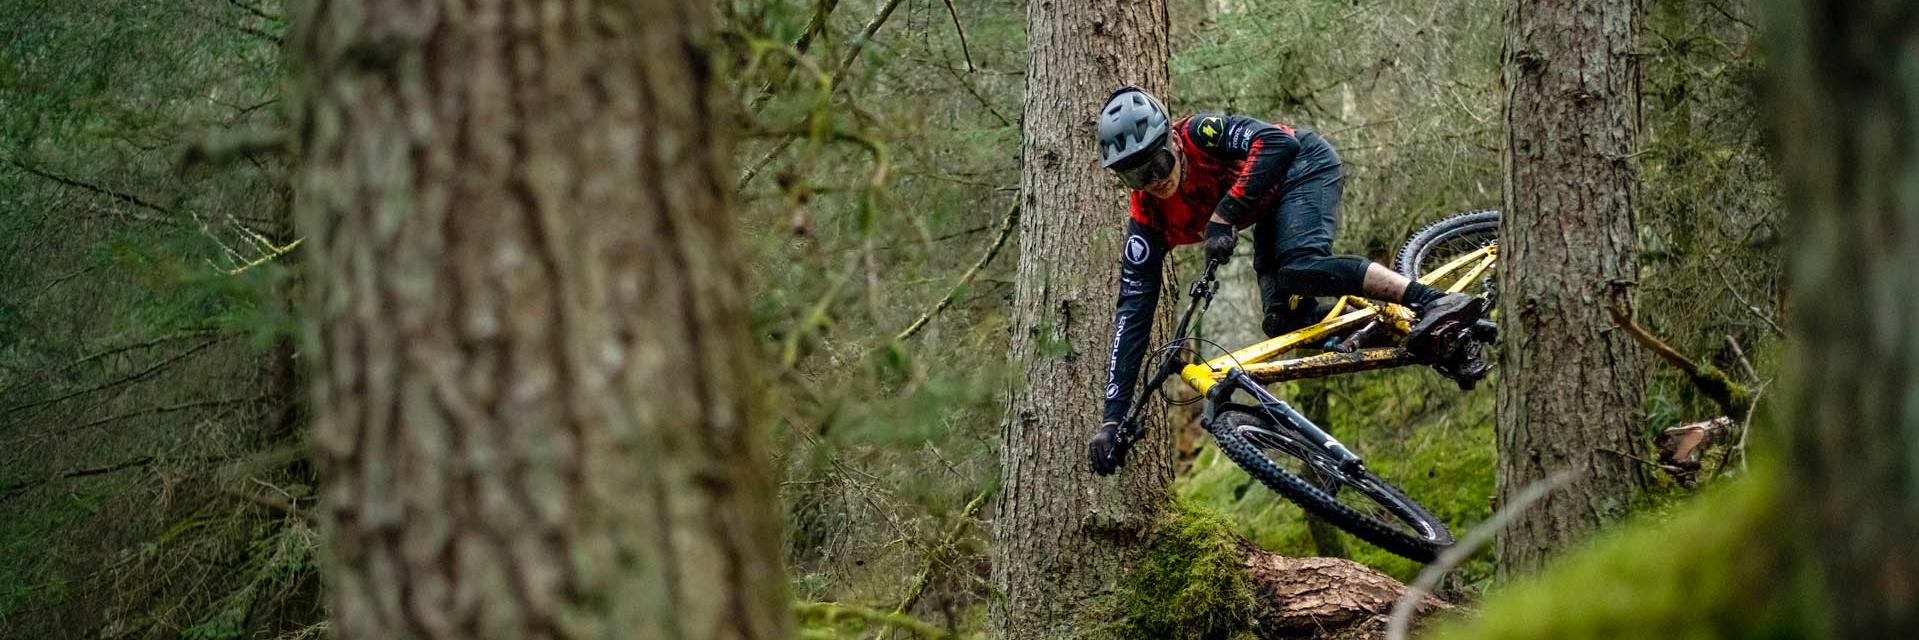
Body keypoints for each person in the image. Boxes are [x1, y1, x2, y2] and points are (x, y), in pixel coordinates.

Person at [1087, 86, 1483, 476]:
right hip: (1267, 207)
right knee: (1285, 322)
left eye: (1157, 163)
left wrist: (1224, 217)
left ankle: (1432, 300)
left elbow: (1276, 143)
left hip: (1304, 166)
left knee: (1301, 268)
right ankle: (1400, 330)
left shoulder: (1201, 134)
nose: (1154, 180)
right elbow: (1132, 314)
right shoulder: (1147, 222)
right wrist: (1112, 420)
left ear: (1171, 140)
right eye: (1136, 175)